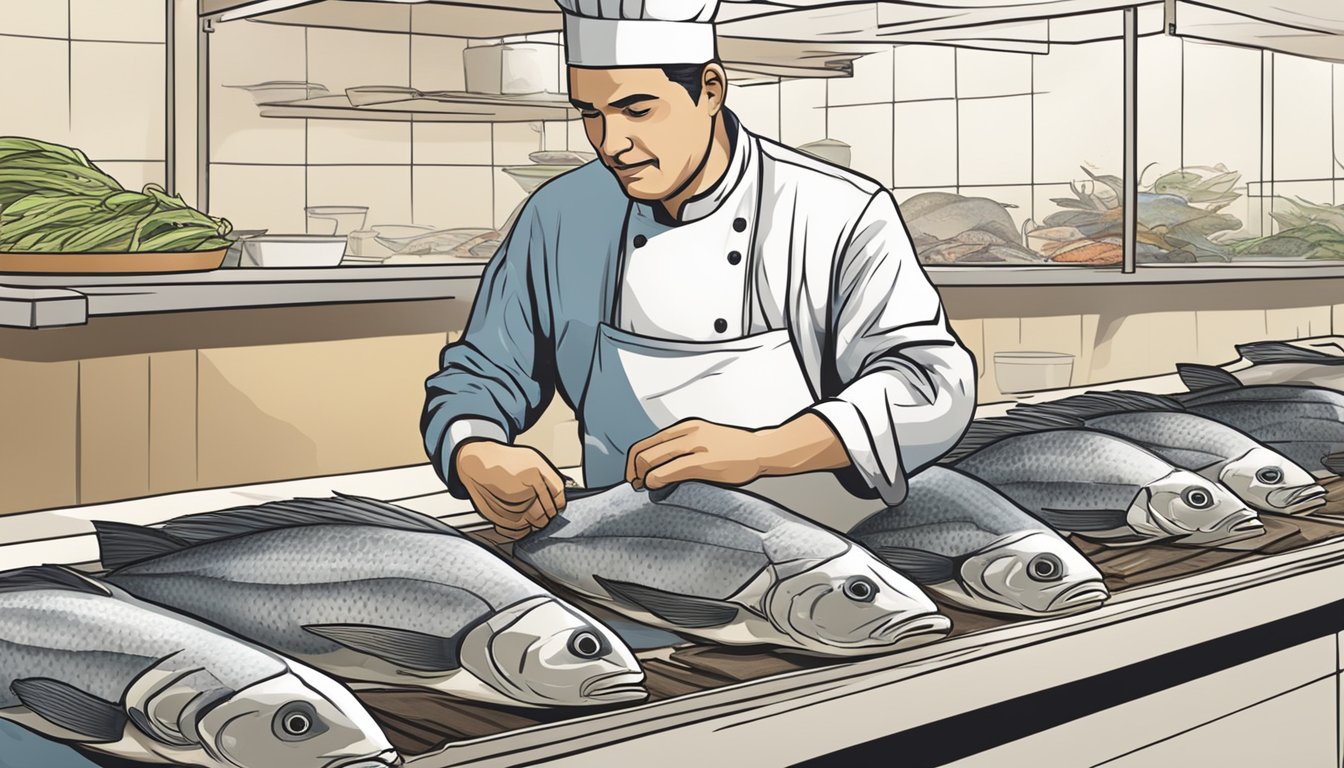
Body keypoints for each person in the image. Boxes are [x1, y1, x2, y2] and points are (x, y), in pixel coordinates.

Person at [421, 0, 976, 539]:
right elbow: (483, 371)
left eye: (637, 109)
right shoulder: (561, 214)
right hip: (635, 556)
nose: (611, 143)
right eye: (591, 113)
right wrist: (476, 449)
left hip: (826, 562)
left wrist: (761, 450)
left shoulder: (837, 209)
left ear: (710, 90)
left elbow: (928, 381)